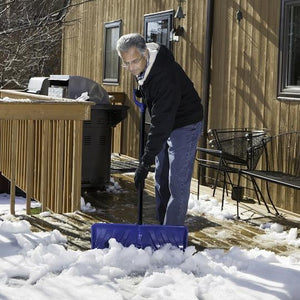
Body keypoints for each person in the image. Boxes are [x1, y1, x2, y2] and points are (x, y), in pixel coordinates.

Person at [116, 33, 203, 226]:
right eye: (126, 63)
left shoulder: (164, 76)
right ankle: (162, 227)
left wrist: (144, 162)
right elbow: (160, 115)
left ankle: (170, 238)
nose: (131, 68)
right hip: (167, 120)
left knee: (176, 184)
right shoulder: (146, 65)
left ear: (145, 53)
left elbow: (161, 123)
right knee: (161, 178)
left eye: (134, 62)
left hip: (185, 123)